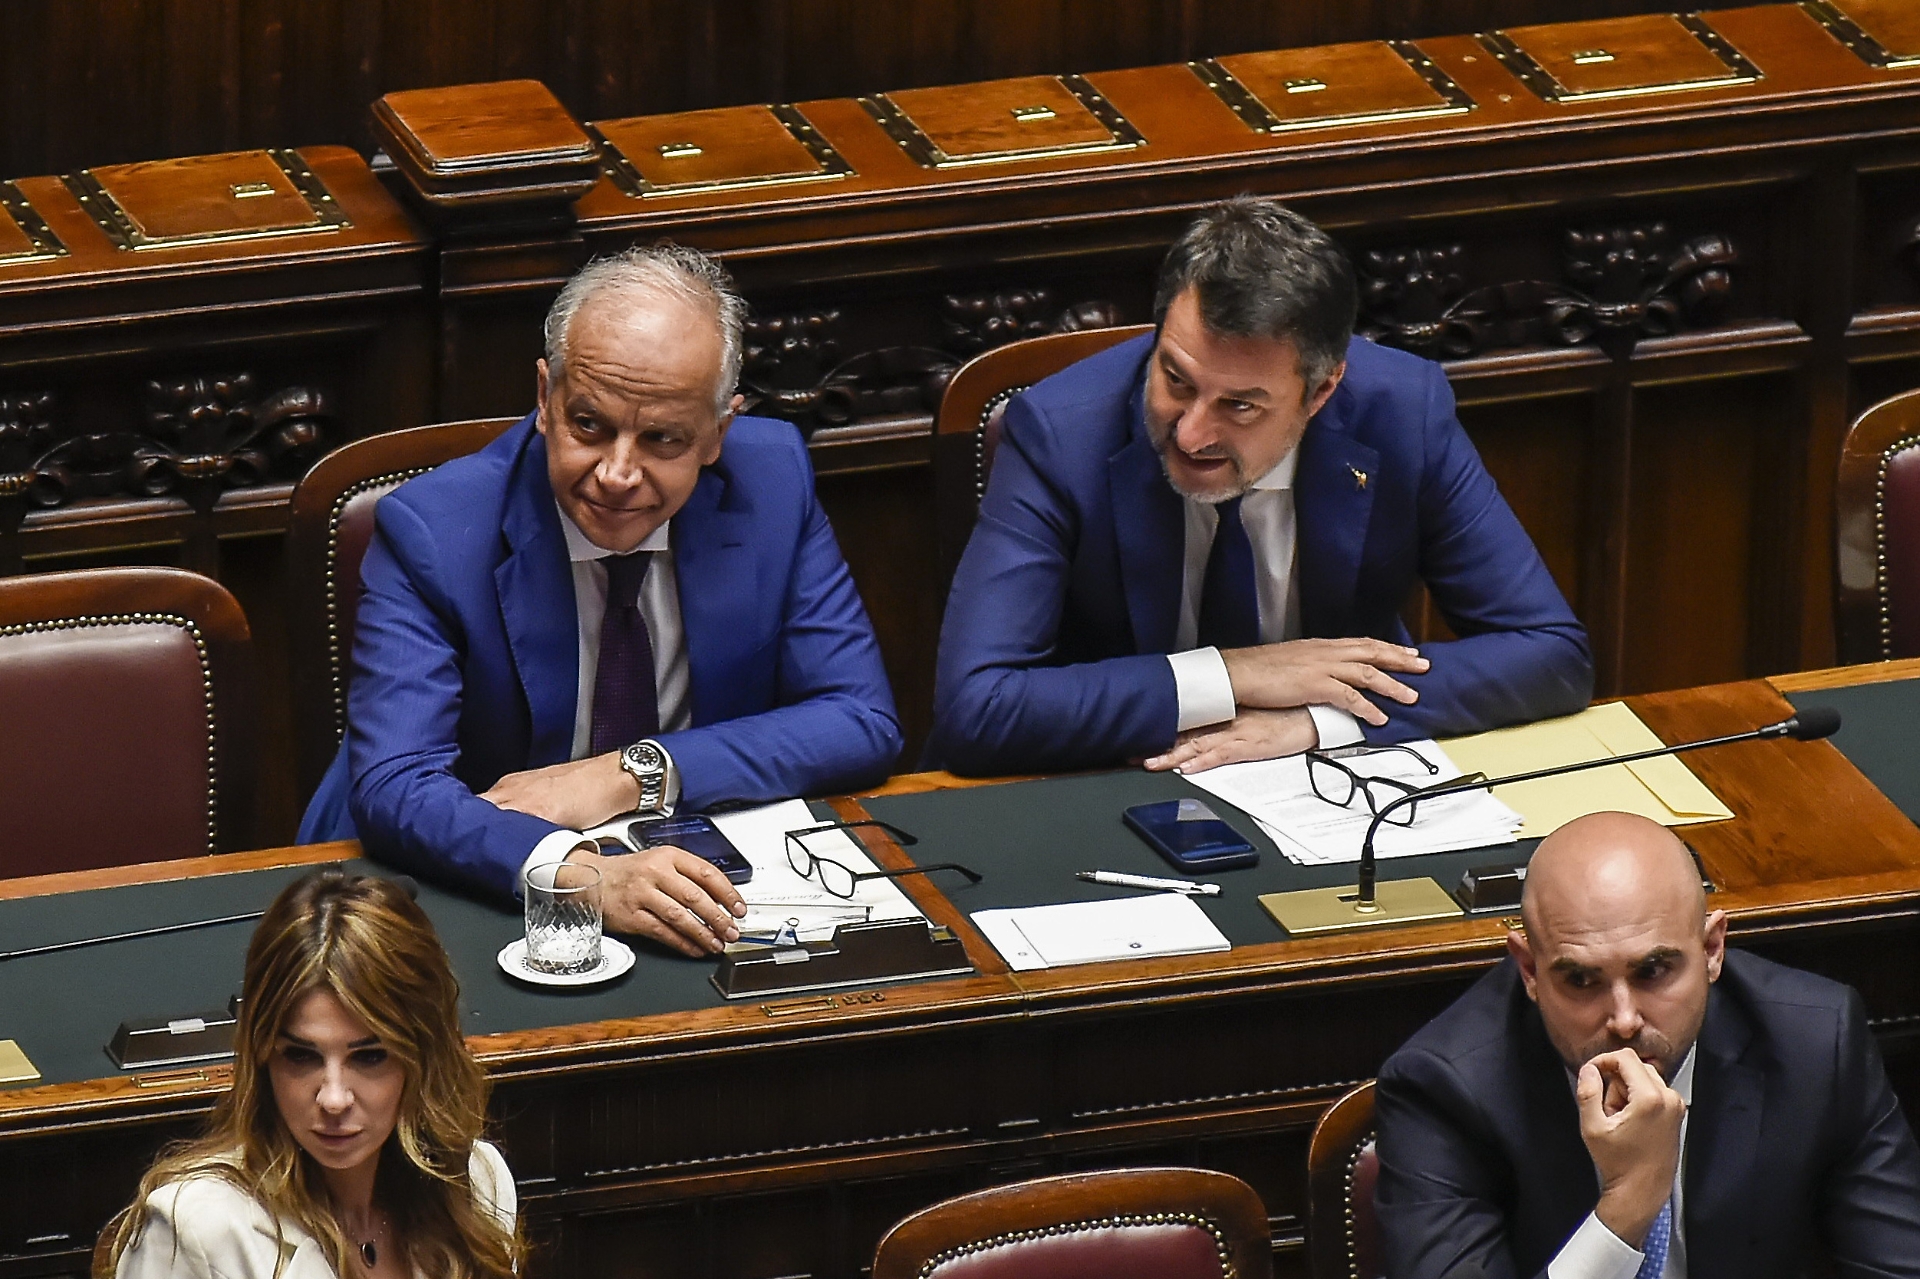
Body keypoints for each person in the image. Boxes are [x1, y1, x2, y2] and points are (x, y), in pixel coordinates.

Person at [298, 244, 903, 957]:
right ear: (545, 398)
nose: (617, 473)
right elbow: (398, 786)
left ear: (718, 433)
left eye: (661, 438)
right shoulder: (435, 530)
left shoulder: (771, 481)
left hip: (688, 869)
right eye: (589, 425)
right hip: (466, 883)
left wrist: (632, 773)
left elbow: (859, 718)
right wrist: (580, 875)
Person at [927, 197, 1591, 776]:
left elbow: (1551, 653)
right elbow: (977, 707)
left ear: (1321, 391)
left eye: (1240, 406)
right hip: (1113, 782)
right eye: (1176, 379)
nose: (1191, 433)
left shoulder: (1400, 414)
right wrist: (1234, 674)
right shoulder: (1061, 434)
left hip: (1331, 785)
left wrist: (1320, 719)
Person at [1374, 811, 1920, 1279]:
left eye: (1654, 970)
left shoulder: (1815, 1043)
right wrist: (1628, 1204)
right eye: (1581, 980)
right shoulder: (1444, 1087)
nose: (1624, 1019)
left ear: (1712, 949)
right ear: (1530, 970)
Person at [98, 870, 520, 1279]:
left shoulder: (477, 1182)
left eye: (370, 1057)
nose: (333, 1099)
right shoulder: (196, 1231)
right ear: (262, 1055)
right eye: (300, 1056)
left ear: (423, 1057)